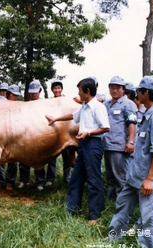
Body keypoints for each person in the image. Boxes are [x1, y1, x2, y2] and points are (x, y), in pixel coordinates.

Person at [107, 76, 153, 248]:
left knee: (149, 217)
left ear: (146, 93)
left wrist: (150, 179)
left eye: (139, 91)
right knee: (122, 207)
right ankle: (112, 239)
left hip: (148, 180)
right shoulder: (146, 114)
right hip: (135, 177)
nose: (136, 94)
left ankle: (147, 245)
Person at [46, 77, 110, 226]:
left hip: (93, 144)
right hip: (83, 145)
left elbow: (106, 127)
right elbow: (73, 116)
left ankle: (95, 214)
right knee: (76, 178)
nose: (78, 93)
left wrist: (89, 133)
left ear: (87, 91)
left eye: (80, 90)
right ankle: (72, 209)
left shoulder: (98, 107)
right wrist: (55, 119)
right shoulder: (85, 106)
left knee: (94, 179)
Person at [103, 76, 137, 201]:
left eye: (118, 88)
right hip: (107, 145)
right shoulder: (106, 104)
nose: (114, 90)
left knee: (120, 177)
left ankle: (123, 205)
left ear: (123, 89)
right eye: (112, 87)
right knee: (110, 177)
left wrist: (131, 142)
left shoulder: (128, 104)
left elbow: (132, 124)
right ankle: (111, 203)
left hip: (120, 146)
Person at [18, 80, 46, 191]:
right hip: (25, 135)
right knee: (23, 158)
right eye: (32, 92)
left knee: (39, 159)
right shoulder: (26, 104)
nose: (34, 94)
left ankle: (39, 182)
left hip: (39, 134)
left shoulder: (45, 104)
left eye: (36, 92)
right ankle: (23, 181)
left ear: (40, 91)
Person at [45, 80, 72, 185]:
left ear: (62, 89)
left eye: (59, 88)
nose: (57, 90)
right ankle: (50, 179)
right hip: (53, 132)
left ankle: (67, 178)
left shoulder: (67, 101)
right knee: (52, 158)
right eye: (55, 88)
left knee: (67, 157)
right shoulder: (50, 102)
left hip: (66, 132)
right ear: (52, 90)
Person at [4, 84, 22, 191]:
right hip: (1, 136)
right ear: (8, 94)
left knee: (13, 161)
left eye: (16, 95)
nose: (15, 97)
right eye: (13, 95)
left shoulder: (19, 106)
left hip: (14, 136)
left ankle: (10, 182)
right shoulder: (1, 105)